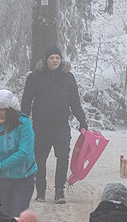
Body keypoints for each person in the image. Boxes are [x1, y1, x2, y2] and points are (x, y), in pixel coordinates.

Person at [21, 46, 88, 204]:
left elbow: (74, 101)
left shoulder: (67, 77)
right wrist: (23, 120)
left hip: (61, 125)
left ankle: (59, 191)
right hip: (41, 125)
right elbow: (26, 100)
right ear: (46, 60)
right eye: (52, 58)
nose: (55, 61)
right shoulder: (35, 77)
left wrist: (82, 120)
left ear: (61, 59)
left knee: (63, 157)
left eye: (57, 58)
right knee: (40, 159)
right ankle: (41, 191)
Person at [0, 90, 36, 218]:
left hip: (23, 177)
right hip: (1, 179)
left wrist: (1, 166)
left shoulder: (24, 123)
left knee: (17, 217)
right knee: (1, 216)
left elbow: (24, 153)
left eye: (3, 109)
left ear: (10, 109)